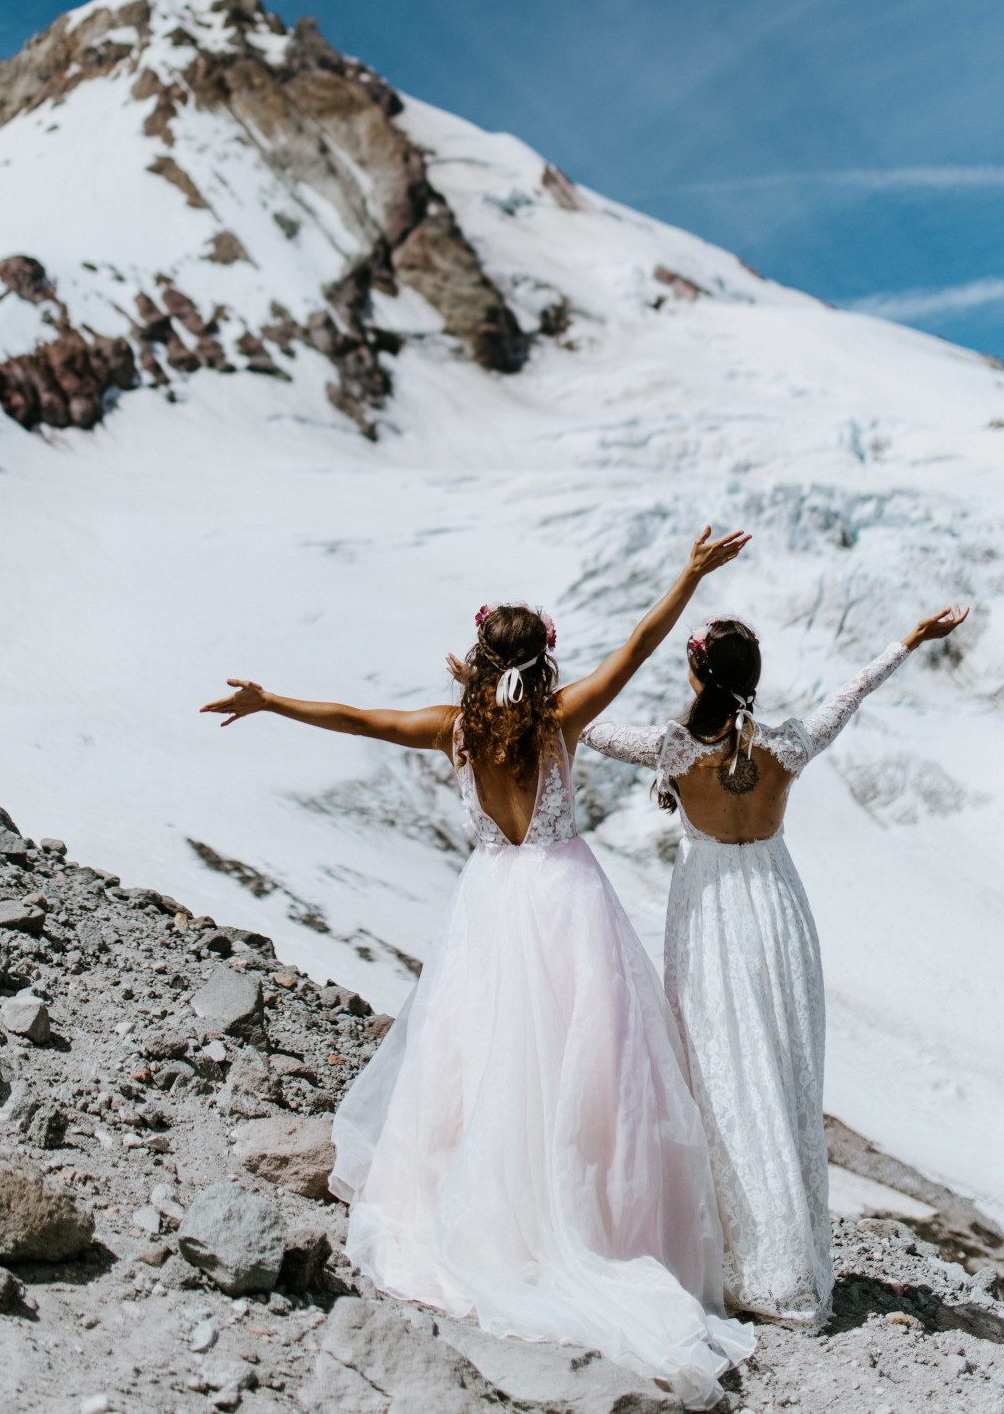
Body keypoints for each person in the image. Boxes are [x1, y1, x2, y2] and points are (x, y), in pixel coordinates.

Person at [202, 528, 757, 1406]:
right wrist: (689, 574)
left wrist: (272, 702)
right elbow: (642, 648)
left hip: (491, 902)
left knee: (474, 1060)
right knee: (591, 1070)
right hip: (566, 898)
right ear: (542, 660)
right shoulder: (560, 722)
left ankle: (473, 1214)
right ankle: (590, 1229)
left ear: (476, 658)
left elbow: (358, 718)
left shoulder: (451, 732)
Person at [582, 602, 968, 1331]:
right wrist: (908, 639)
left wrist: (531, 685)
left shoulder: (673, 751)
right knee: (786, 1075)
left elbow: (590, 726)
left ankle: (736, 1253)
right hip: (779, 912)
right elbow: (851, 692)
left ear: (697, 673)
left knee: (724, 1077)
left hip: (711, 917)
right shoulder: (789, 746)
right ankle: (789, 1261)